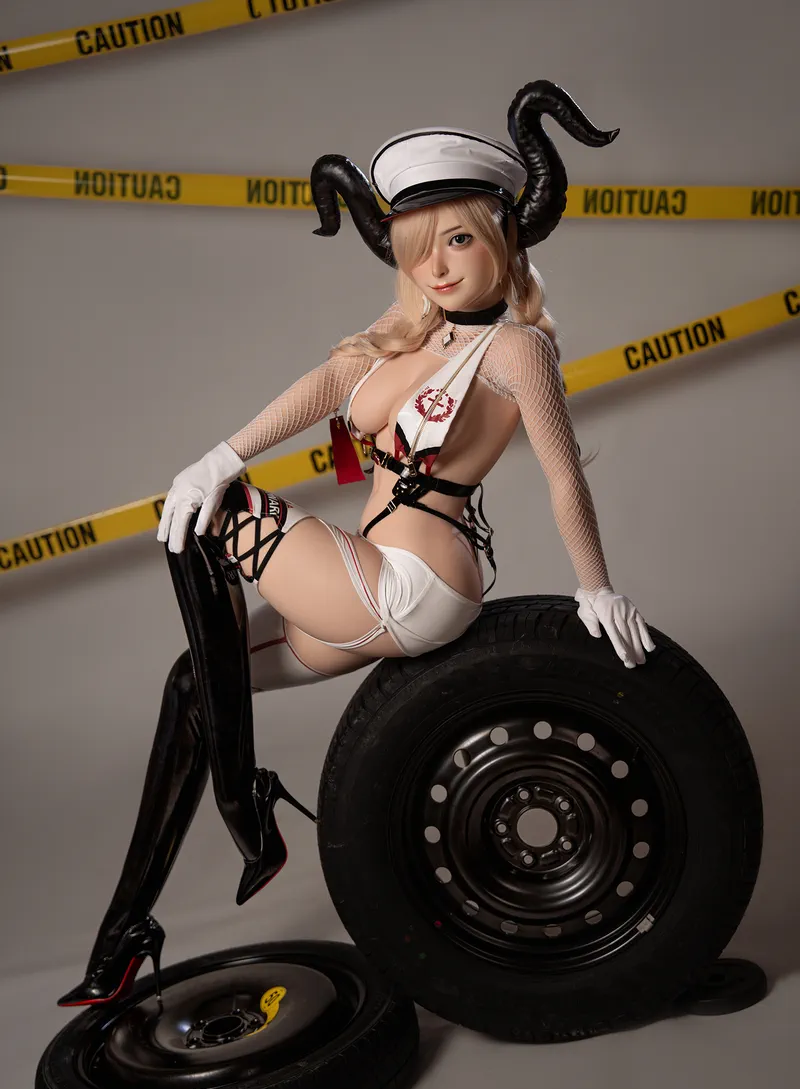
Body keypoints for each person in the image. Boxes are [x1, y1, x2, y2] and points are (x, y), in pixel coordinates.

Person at [57, 80, 654, 1009]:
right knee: (192, 686)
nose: (437, 267)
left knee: (203, 516)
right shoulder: (400, 339)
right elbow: (320, 387)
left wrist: (597, 587)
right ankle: (126, 933)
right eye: (418, 248)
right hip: (357, 583)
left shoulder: (515, 351)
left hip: (414, 585)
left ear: (503, 238)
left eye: (458, 241)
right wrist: (221, 452)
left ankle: (245, 808)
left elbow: (563, 477)